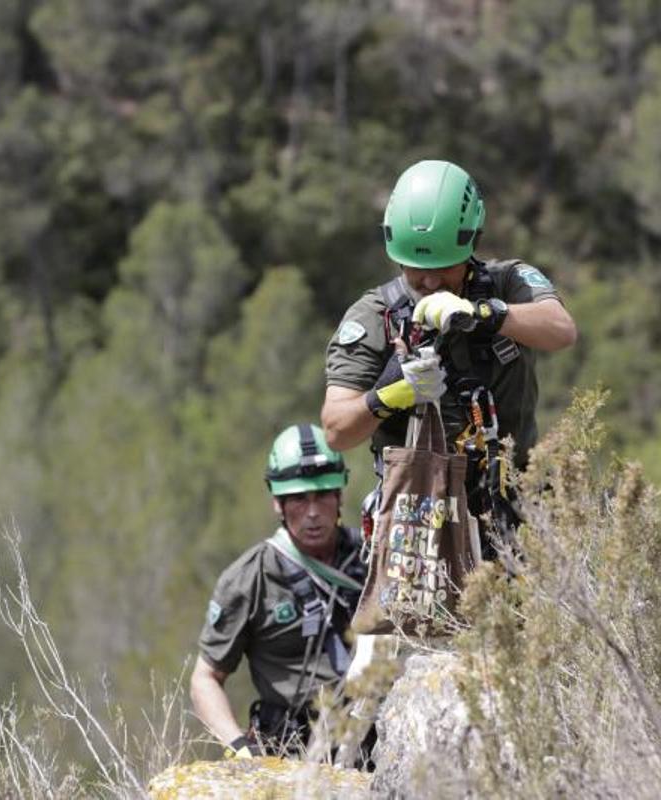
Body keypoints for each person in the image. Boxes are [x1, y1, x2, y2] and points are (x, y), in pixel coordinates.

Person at [321, 159, 577, 558]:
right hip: (416, 524)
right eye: (415, 269)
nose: (430, 282)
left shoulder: (509, 282)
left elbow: (560, 330)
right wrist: (389, 396)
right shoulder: (374, 316)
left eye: (443, 267)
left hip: (516, 513)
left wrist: (486, 315)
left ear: (471, 242)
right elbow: (337, 430)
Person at [190, 424, 367, 759]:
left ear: (339, 495)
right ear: (278, 503)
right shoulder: (249, 579)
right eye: (299, 499)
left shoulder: (372, 556)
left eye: (323, 495)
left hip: (373, 736)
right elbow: (205, 679)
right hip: (292, 748)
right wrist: (239, 748)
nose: (313, 513)